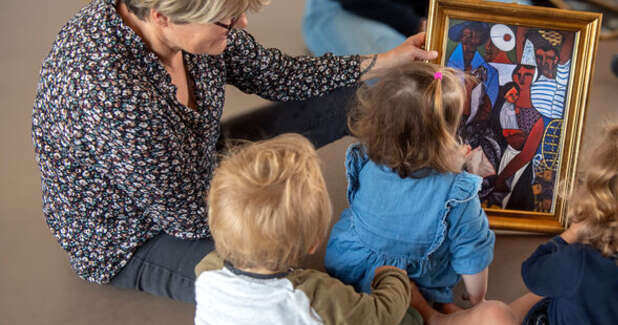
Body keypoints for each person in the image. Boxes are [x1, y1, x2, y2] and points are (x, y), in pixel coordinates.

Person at [31, 0, 436, 303]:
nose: (240, 23)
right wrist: (290, 213)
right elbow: (188, 216)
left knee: (344, 97)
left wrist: (384, 62)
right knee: (281, 290)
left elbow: (280, 75)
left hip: (192, 158)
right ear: (162, 16)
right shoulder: (111, 94)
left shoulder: (194, 19)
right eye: (229, 18)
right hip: (137, 233)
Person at [409, 125, 618, 325]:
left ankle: (432, 317)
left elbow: (532, 272)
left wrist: (568, 236)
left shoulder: (578, 259)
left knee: (495, 312)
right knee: (560, 289)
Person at [193, 134, 421, 325]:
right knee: (410, 318)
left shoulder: (207, 271)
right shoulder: (314, 296)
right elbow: (380, 315)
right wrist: (393, 279)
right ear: (314, 243)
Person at [324, 62, 496, 314]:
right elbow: (473, 252)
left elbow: (410, 188)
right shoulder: (458, 194)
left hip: (349, 267)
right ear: (445, 135)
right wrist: (477, 299)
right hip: (412, 286)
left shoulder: (368, 158)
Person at [302, 0, 532, 56]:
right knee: (405, 75)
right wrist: (416, 24)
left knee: (516, 12)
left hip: (421, 8)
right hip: (343, 8)